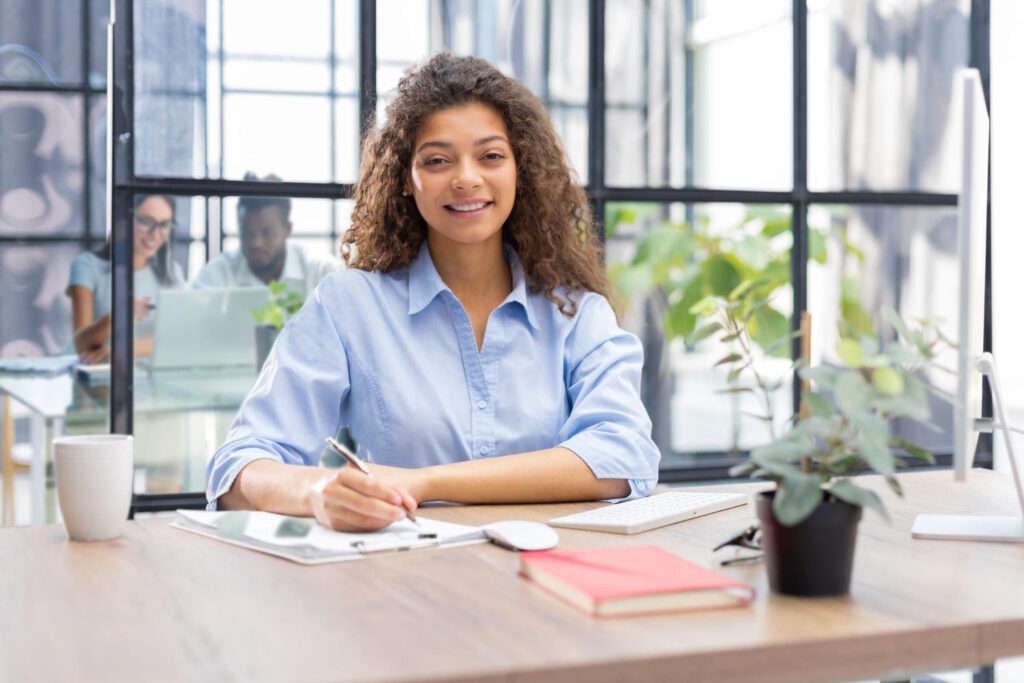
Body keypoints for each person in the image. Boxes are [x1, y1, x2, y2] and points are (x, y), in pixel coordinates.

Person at [206, 53, 660, 531]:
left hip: (552, 579)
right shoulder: (350, 306)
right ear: (406, 177)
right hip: (407, 583)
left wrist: (423, 482)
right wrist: (318, 491)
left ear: (519, 169)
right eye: (438, 160)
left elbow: (623, 454)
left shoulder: (576, 313)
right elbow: (238, 465)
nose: (466, 178)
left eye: (490, 156)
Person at [67, 194, 184, 362]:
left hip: (146, 376)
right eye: (146, 222)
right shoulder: (87, 267)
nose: (155, 234)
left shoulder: (172, 273)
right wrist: (119, 316)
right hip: (94, 376)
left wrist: (120, 349)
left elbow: (177, 338)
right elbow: (81, 344)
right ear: (124, 221)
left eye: (164, 225)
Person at [191, 174, 339, 295]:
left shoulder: (320, 271)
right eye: (248, 233)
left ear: (287, 229)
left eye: (266, 233)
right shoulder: (220, 273)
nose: (256, 243)